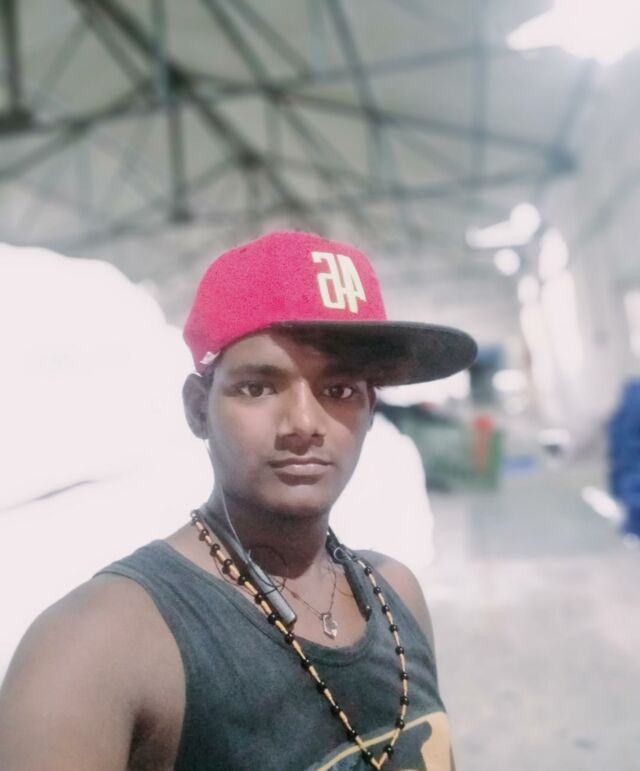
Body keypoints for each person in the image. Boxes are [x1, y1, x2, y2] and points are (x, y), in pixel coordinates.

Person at [0, 230, 476, 770]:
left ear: (369, 409)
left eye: (339, 389)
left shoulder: (396, 596)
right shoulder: (97, 648)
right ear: (197, 408)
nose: (303, 424)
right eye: (257, 387)